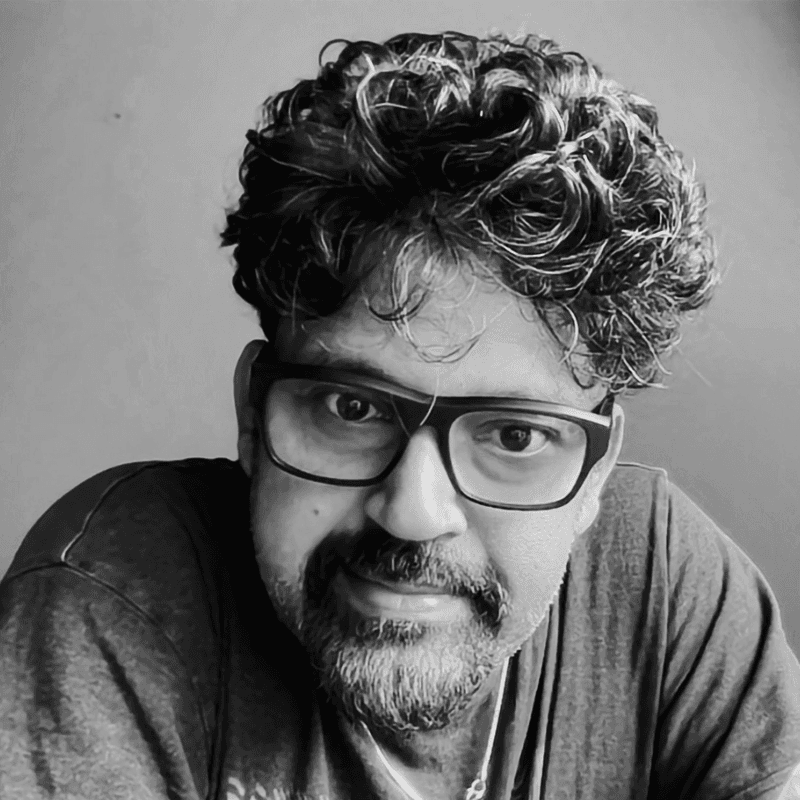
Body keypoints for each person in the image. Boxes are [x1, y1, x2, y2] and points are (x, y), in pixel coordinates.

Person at [1, 30, 798, 800]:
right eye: (352, 408)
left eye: (515, 435)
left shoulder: (664, 579)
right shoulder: (121, 588)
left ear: (595, 471)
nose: (414, 514)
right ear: (253, 413)